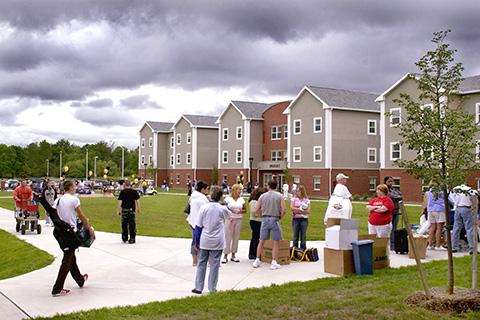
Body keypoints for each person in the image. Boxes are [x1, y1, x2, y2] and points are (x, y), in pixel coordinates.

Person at [51, 180, 95, 296]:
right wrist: (89, 228)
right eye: (74, 186)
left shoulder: (58, 200)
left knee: (71, 257)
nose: (76, 187)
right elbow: (81, 215)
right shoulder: (74, 199)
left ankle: (80, 280)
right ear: (70, 187)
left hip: (60, 232)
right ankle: (57, 289)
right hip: (70, 233)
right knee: (67, 261)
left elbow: (54, 214)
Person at [192, 186, 230, 294]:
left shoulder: (204, 208)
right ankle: (212, 288)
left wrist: (197, 241)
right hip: (218, 240)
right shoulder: (223, 209)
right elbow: (229, 216)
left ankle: (198, 287)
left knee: (201, 263)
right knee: (214, 264)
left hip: (205, 239)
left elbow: (198, 227)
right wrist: (224, 203)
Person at [252, 180, 286, 270]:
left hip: (265, 219)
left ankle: (257, 259)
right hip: (275, 218)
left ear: (268, 186)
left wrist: (261, 215)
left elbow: (256, 209)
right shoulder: (279, 196)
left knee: (261, 240)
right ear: (276, 186)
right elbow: (283, 210)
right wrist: (280, 217)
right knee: (276, 241)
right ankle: (274, 261)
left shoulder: (263, 196)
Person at [450, 184, 477, 254]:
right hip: (466, 208)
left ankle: (454, 247)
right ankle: (471, 248)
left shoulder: (456, 190)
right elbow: (474, 201)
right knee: (469, 228)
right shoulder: (470, 191)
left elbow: (452, 199)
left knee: (456, 228)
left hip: (458, 208)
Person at [187, 181, 209, 266]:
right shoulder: (203, 199)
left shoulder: (193, 196)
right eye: (207, 189)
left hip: (192, 221)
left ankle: (195, 260)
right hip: (199, 223)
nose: (207, 190)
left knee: (195, 241)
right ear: (202, 189)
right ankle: (199, 260)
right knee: (199, 242)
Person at [223, 184, 246, 263]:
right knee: (227, 237)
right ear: (234, 190)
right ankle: (225, 255)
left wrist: (240, 211)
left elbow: (245, 210)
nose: (240, 191)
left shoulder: (242, 199)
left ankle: (233, 255)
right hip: (229, 219)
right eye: (238, 189)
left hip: (238, 219)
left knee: (236, 237)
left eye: (240, 190)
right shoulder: (227, 199)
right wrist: (231, 210)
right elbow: (223, 207)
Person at [425, 182, 446, 250]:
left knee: (432, 227)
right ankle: (437, 245)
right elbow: (449, 199)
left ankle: (430, 245)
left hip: (430, 210)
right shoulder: (441, 191)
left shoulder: (428, 192)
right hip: (439, 209)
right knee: (439, 227)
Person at [384, 176, 403, 248]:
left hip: (396, 210)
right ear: (385, 182)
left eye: (392, 181)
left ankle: (393, 244)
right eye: (389, 181)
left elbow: (401, 196)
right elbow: (392, 197)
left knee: (394, 228)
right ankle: (388, 243)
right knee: (388, 228)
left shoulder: (394, 189)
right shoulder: (384, 190)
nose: (391, 183)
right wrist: (397, 197)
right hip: (389, 211)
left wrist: (397, 197)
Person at [290, 185, 311, 250]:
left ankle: (303, 249)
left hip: (304, 219)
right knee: (295, 235)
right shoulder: (294, 199)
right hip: (295, 219)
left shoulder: (307, 200)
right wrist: (300, 210)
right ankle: (295, 249)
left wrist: (297, 211)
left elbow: (308, 211)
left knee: (303, 235)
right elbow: (291, 208)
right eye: (296, 191)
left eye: (298, 191)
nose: (297, 192)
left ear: (302, 192)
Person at [248, 187, 266, 260]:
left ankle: (254, 253)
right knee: (256, 237)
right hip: (255, 221)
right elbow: (255, 213)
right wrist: (262, 211)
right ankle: (254, 253)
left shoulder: (260, 202)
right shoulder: (253, 202)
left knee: (257, 237)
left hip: (261, 221)